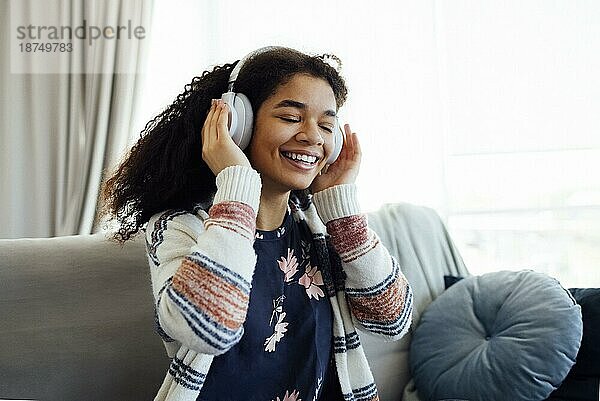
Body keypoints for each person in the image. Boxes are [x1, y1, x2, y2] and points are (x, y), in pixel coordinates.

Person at [101, 46, 413, 401]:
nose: (313, 136)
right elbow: (209, 330)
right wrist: (236, 183)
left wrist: (342, 210)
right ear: (239, 124)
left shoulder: (319, 228)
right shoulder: (180, 227)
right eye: (291, 118)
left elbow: (392, 322)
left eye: (327, 125)